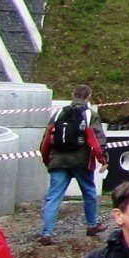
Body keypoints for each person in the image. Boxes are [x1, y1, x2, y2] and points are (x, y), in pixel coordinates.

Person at [39, 84, 105, 243]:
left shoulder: (58, 113)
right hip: (81, 161)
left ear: (72, 95)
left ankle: (46, 233)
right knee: (89, 193)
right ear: (88, 96)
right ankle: (91, 226)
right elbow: (96, 140)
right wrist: (103, 160)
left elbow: (46, 139)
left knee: (53, 197)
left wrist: (47, 159)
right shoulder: (91, 115)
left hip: (58, 161)